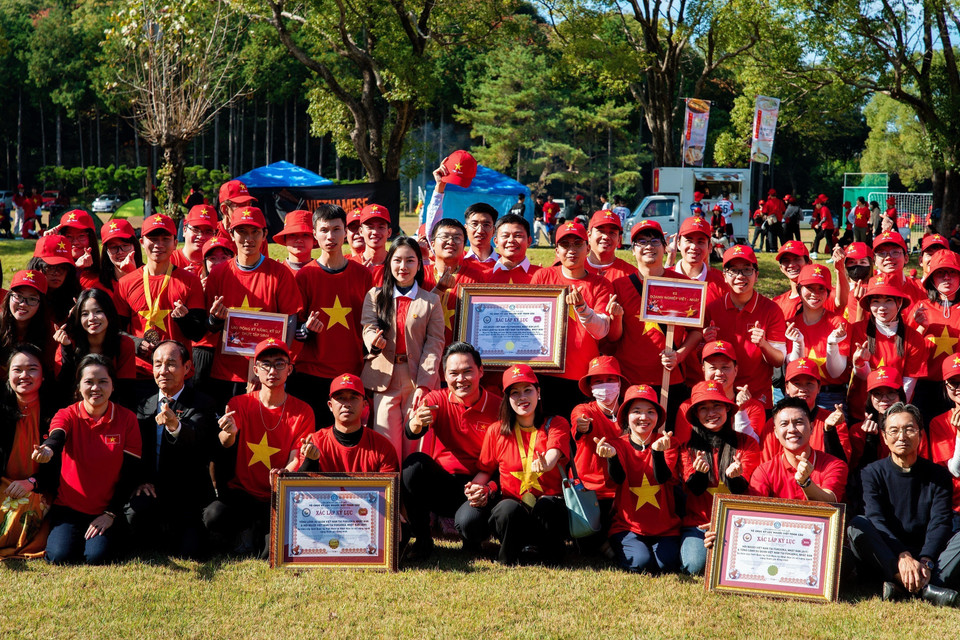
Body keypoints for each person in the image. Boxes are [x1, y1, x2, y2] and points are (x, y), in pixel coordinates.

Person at [204, 338, 314, 558]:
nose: (272, 370)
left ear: (289, 369)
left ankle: (257, 532)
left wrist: (286, 473)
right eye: (266, 364)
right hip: (242, 492)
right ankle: (242, 530)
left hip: (277, 493)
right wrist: (230, 432)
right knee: (213, 516)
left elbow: (297, 456)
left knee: (269, 554)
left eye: (279, 363)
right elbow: (225, 443)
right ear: (256, 369)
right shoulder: (240, 403)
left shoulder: (303, 410)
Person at [847, 403, 960, 606]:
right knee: (858, 525)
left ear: (921, 434)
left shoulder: (939, 475)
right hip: (890, 552)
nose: (902, 436)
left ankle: (908, 584)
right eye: (894, 430)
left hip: (930, 553)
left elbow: (940, 522)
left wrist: (925, 560)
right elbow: (877, 520)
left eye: (909, 429)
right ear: (883, 436)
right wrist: (902, 556)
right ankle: (923, 587)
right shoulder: (871, 473)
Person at [33, 354, 142, 564]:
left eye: (103, 382)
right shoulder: (67, 414)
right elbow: (57, 436)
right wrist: (47, 450)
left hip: (105, 509)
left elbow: (130, 472)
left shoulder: (127, 419)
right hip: (68, 508)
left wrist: (110, 514)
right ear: (78, 386)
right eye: (89, 382)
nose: (96, 388)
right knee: (59, 557)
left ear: (113, 386)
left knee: (97, 557)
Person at [401, 342, 501, 558]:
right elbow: (412, 431)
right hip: (446, 485)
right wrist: (416, 421)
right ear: (444, 375)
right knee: (412, 465)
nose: (460, 379)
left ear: (481, 371)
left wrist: (488, 487)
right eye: (454, 373)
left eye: (467, 372)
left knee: (470, 522)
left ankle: (473, 540)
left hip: (481, 485)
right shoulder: (437, 399)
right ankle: (422, 541)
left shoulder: (499, 407)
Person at [469, 365, 571, 565]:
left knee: (546, 505)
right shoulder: (496, 431)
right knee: (507, 508)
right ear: (507, 398)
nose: (522, 397)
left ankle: (549, 555)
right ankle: (508, 557)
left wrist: (546, 464)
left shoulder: (556, 423)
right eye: (515, 393)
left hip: (549, 511)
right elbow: (485, 470)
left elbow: (553, 454)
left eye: (528, 390)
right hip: (515, 513)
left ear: (538, 392)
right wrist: (474, 488)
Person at [127, 341, 218, 559]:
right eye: (157, 364)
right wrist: (139, 481)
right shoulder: (142, 404)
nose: (163, 371)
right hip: (152, 489)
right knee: (132, 518)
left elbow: (195, 436)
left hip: (188, 492)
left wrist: (175, 425)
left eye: (170, 364)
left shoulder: (203, 403)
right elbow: (133, 452)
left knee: (190, 551)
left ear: (187, 368)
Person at [203, 206, 302, 405]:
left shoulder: (280, 273)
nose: (249, 238)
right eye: (242, 232)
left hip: (267, 373)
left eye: (255, 232)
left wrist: (276, 365)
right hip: (227, 372)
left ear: (265, 234)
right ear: (231, 233)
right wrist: (214, 319)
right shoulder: (219, 273)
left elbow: (290, 320)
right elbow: (207, 325)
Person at [361, 236, 445, 460]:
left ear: (419, 264)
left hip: (417, 379)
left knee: (415, 447)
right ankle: (390, 494)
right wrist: (373, 342)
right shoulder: (375, 296)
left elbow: (435, 344)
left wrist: (424, 385)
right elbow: (368, 327)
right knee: (386, 447)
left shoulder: (431, 301)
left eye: (410, 260)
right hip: (384, 380)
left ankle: (411, 494)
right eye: (397, 260)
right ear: (389, 263)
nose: (403, 267)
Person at [289, 204, 372, 428]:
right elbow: (293, 329)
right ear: (314, 234)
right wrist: (306, 329)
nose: (330, 236)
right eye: (324, 230)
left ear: (346, 231)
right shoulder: (305, 275)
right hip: (311, 373)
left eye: (336, 229)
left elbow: (370, 324)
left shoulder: (363, 275)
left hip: (351, 371)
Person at [609, 220, 701, 415]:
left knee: (668, 441)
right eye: (641, 242)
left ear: (665, 246)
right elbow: (613, 338)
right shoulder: (619, 286)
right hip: (630, 381)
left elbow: (696, 332)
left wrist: (679, 356)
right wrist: (615, 318)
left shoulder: (683, 285)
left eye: (654, 241)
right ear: (633, 250)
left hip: (671, 379)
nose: (649, 246)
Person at [531, 222, 618, 419]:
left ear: (588, 248)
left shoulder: (600, 284)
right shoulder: (543, 276)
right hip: (545, 373)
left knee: (580, 436)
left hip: (582, 375)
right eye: (565, 245)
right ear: (556, 250)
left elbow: (602, 330)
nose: (571, 250)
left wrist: (581, 307)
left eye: (578, 244)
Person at [593, 384, 680, 574]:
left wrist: (657, 453)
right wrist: (612, 458)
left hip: (665, 527)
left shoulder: (669, 443)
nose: (644, 417)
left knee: (666, 566)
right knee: (641, 564)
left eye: (650, 411)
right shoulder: (617, 445)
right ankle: (616, 547)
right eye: (637, 411)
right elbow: (617, 479)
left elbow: (663, 477)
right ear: (626, 417)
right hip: (627, 526)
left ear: (657, 417)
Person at [678, 380, 761, 575]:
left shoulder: (746, 443)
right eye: (703, 408)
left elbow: (742, 490)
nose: (711, 413)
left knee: (745, 566)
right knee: (694, 566)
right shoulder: (686, 448)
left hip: (738, 524)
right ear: (696, 415)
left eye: (717, 405)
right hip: (699, 525)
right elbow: (695, 489)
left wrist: (734, 477)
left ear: (727, 409)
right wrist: (700, 473)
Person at [114, 214, 206, 387]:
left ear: (175, 242)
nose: (159, 245)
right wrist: (135, 343)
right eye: (153, 239)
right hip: (139, 374)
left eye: (165, 239)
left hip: (178, 375)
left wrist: (185, 319)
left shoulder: (190, 281)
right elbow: (116, 329)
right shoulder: (125, 283)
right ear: (141, 242)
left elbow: (198, 333)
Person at [703, 245, 787, 410]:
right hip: (719, 397)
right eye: (733, 270)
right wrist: (705, 342)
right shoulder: (712, 309)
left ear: (756, 275)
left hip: (756, 397)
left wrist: (763, 344)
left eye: (747, 270)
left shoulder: (771, 309)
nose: (740, 276)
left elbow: (778, 360)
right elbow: (702, 357)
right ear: (725, 276)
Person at [0, 345, 57, 558]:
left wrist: (32, 482)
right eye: (18, 370)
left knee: (17, 519)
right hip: (3, 484)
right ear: (8, 375)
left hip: (38, 488)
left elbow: (61, 465)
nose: (24, 375)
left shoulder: (56, 412)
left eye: (32, 369)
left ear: (43, 376)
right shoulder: (2, 407)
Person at [569, 356, 629, 550]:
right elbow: (579, 422)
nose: (605, 385)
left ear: (620, 383)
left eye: (610, 379)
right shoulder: (584, 409)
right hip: (590, 490)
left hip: (623, 488)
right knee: (588, 545)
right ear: (591, 387)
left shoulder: (630, 413)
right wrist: (582, 425)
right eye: (598, 381)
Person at [748, 396, 848, 501]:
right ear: (776, 432)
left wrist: (805, 482)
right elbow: (754, 512)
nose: (792, 429)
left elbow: (831, 503)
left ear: (811, 428)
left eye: (799, 422)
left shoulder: (834, 465)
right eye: (784, 424)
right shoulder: (764, 472)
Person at [849, 273, 929, 404]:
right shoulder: (858, 330)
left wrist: (896, 412)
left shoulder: (913, 338)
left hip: (897, 411)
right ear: (869, 304)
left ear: (899, 302)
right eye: (876, 301)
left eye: (888, 301)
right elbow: (862, 377)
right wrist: (860, 364)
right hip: (861, 409)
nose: (882, 307)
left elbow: (908, 384)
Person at [299, 372, 399, 474]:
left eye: (353, 398)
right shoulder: (315, 442)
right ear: (330, 405)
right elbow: (300, 487)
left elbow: (388, 488)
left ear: (364, 404)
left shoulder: (383, 447)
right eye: (340, 398)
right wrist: (310, 461)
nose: (347, 404)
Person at [54, 288, 136, 409]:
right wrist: (66, 349)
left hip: (112, 408)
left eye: (98, 311)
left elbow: (125, 389)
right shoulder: (69, 341)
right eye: (85, 314)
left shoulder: (124, 343)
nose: (92, 318)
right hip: (73, 407)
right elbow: (62, 386)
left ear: (109, 313)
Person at [783, 264, 850, 411]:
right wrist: (798, 343)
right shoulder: (791, 324)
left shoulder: (839, 323)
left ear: (827, 292)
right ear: (800, 290)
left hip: (831, 396)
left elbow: (835, 373)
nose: (815, 294)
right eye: (810, 288)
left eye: (821, 289)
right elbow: (793, 368)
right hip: (798, 394)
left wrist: (832, 344)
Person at [760, 359, 852, 463]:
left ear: (819, 387)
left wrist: (829, 431)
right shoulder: (773, 424)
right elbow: (766, 466)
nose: (803, 389)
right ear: (787, 388)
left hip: (822, 477)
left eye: (809, 383)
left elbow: (841, 465)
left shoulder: (833, 422)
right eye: (797, 383)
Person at [905, 250, 960, 419]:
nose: (947, 278)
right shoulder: (921, 308)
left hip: (957, 387)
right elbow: (906, 350)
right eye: (940, 273)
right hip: (924, 386)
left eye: (952, 273)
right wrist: (921, 328)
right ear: (932, 279)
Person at [422, 219, 485, 347]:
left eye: (457, 238)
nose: (451, 242)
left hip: (460, 354)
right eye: (444, 237)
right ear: (432, 244)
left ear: (464, 245)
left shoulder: (476, 277)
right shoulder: (420, 275)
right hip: (422, 351)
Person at [0, 270, 54, 375]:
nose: (23, 304)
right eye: (18, 296)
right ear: (9, 297)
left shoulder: (50, 332)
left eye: (32, 299)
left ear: (41, 303)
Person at [28, 234, 81, 325]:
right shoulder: (23, 297)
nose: (57, 273)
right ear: (37, 266)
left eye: (63, 267)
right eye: (50, 267)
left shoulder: (74, 296)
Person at [873, 230, 926, 303]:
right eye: (881, 253)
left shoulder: (919, 290)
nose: (888, 257)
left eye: (895, 252)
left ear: (906, 258)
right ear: (875, 260)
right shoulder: (869, 289)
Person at [488, 214, 541, 284]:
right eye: (505, 236)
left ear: (529, 241)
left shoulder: (543, 276)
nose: (511, 240)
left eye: (518, 235)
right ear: (496, 242)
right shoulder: (483, 276)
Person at [56, 209, 102, 290]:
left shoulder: (102, 271)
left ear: (91, 238)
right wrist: (46, 242)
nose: (75, 242)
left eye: (81, 236)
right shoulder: (53, 269)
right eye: (69, 236)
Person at [585, 210, 633, 282]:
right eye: (601, 231)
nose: (606, 237)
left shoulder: (631, 274)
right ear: (589, 236)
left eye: (612, 232)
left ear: (619, 239)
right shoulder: (573, 270)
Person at [348, 203, 391, 283]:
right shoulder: (350, 266)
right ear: (361, 231)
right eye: (370, 227)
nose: (375, 232)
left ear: (389, 232)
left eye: (381, 227)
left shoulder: (396, 265)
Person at [171, 205, 217, 277]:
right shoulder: (169, 260)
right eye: (195, 230)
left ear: (215, 235)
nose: (201, 236)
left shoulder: (219, 263)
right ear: (184, 230)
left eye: (208, 232)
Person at [99, 219, 142, 291]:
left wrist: (133, 274)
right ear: (106, 251)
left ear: (135, 246)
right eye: (113, 247)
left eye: (125, 246)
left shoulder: (149, 275)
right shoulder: (98, 283)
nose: (120, 252)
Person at [273, 210, 317, 274]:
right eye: (292, 235)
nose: (299, 240)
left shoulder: (324, 271)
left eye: (305, 235)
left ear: (315, 239)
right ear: (284, 239)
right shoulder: (276, 272)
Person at [463, 203, 500, 269]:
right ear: (466, 229)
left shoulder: (506, 264)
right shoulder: (456, 262)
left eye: (486, 225)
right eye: (474, 224)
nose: (480, 231)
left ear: (494, 231)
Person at [810, 194, 835, 259]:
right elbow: (814, 217)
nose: (815, 206)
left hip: (826, 227)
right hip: (824, 227)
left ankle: (833, 257)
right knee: (818, 238)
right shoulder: (821, 208)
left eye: (816, 204)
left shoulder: (823, 208)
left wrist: (818, 224)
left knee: (828, 242)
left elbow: (824, 218)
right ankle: (814, 252)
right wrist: (812, 223)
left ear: (819, 203)